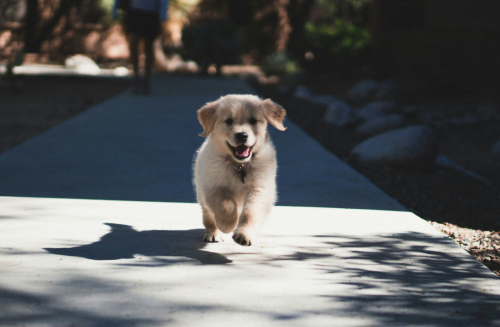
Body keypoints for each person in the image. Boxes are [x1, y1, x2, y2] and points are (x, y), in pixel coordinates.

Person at [114, 0, 169, 94]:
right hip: (134, 11)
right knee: (133, 43)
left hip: (151, 12)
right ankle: (135, 78)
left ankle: (146, 80)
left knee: (148, 47)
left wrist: (162, 15)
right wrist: (115, 8)